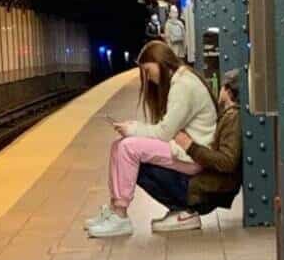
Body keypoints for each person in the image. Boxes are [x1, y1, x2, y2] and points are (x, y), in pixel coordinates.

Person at [85, 40, 218, 238]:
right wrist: (134, 129)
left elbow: (164, 133)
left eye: (148, 70)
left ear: (160, 62)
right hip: (184, 150)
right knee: (118, 146)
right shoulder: (181, 81)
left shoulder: (183, 85)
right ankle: (114, 209)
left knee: (127, 148)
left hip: (192, 154)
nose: (148, 77)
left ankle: (120, 215)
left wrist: (134, 129)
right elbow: (166, 130)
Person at [137, 68, 242, 232]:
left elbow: (227, 161)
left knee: (140, 166)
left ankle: (184, 212)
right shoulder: (229, 116)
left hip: (204, 191)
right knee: (146, 162)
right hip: (207, 185)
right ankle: (181, 211)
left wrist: (190, 146)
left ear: (227, 91)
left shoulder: (232, 118)